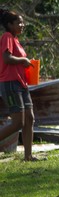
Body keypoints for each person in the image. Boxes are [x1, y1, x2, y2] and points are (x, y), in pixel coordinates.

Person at [0, 9, 36, 161]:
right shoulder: (7, 37)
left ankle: (28, 156)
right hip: (10, 83)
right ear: (9, 25)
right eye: (19, 23)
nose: (22, 25)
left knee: (29, 118)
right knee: (17, 123)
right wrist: (23, 61)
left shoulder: (15, 39)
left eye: (23, 22)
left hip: (21, 84)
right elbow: (7, 58)